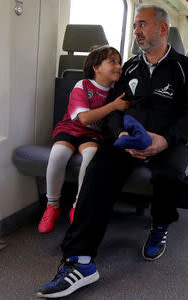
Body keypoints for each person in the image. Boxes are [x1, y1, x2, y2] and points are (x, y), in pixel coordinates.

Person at [36, 5, 188, 298]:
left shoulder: (186, 69)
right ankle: (81, 261)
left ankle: (160, 224)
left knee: (171, 173)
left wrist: (163, 140)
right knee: (98, 169)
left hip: (167, 141)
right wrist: (122, 134)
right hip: (129, 139)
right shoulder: (130, 68)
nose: (136, 30)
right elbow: (113, 112)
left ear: (162, 30)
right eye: (135, 25)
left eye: (142, 24)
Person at [38, 46, 129, 233]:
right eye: (112, 61)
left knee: (92, 156)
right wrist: (113, 106)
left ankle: (79, 205)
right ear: (96, 67)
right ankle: (52, 205)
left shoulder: (116, 91)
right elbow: (84, 118)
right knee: (58, 154)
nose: (118, 66)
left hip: (93, 135)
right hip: (70, 129)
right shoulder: (83, 85)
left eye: (119, 62)